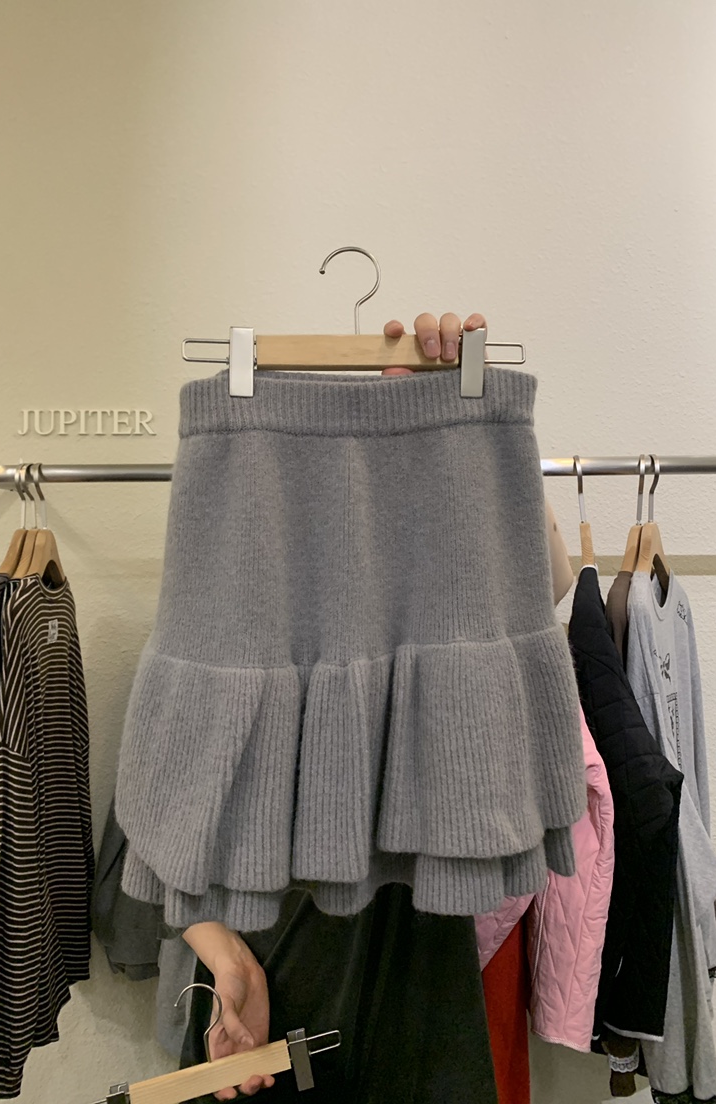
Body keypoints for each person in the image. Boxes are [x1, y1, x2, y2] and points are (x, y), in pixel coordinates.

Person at [180, 311, 573, 1101]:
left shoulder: (447, 585)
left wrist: (464, 425)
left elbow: (540, 587)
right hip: (265, 985)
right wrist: (228, 959)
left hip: (421, 983)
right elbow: (165, 831)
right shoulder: (235, 581)